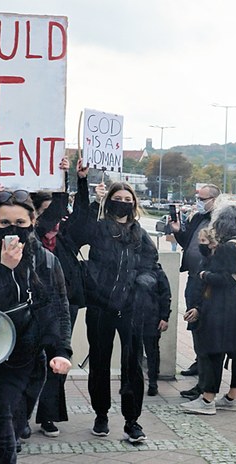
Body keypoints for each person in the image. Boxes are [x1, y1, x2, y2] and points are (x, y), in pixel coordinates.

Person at [0, 189, 72, 464]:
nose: (13, 229)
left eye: (20, 223)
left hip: (26, 362)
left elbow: (58, 308)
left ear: (33, 221)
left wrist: (61, 350)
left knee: (7, 431)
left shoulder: (46, 261)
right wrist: (4, 271)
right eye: (4, 223)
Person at [69, 180, 159, 443]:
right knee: (99, 362)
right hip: (100, 306)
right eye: (118, 197)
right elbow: (78, 232)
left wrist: (143, 282)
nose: (123, 202)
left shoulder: (139, 233)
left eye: (128, 199)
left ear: (134, 204)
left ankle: (132, 421)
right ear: (110, 201)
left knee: (132, 365)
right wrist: (91, 196)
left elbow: (151, 265)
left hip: (131, 308)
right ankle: (101, 414)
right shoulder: (98, 229)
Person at [13, 158, 89, 441]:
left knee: (58, 360)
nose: (55, 218)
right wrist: (61, 179)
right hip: (32, 304)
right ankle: (21, 414)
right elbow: (57, 208)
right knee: (28, 362)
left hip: (63, 301)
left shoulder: (68, 234)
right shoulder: (30, 236)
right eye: (46, 213)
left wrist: (78, 180)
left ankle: (48, 414)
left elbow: (82, 214)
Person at [180, 206, 236, 415]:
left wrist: (205, 275)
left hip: (223, 309)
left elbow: (224, 278)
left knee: (214, 352)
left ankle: (207, 400)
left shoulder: (226, 249)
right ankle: (233, 397)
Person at [168, 185, 221, 397]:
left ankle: (206, 381)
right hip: (193, 275)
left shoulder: (219, 219)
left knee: (204, 323)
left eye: (203, 198)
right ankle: (200, 363)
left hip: (207, 277)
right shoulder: (199, 217)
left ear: (214, 199)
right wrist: (178, 231)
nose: (199, 201)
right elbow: (188, 242)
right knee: (194, 320)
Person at [141, 263, 171, 396]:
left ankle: (153, 382)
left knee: (151, 351)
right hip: (140, 317)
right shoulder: (132, 268)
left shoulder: (158, 272)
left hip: (151, 317)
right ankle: (134, 382)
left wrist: (164, 317)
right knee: (134, 351)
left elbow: (165, 296)